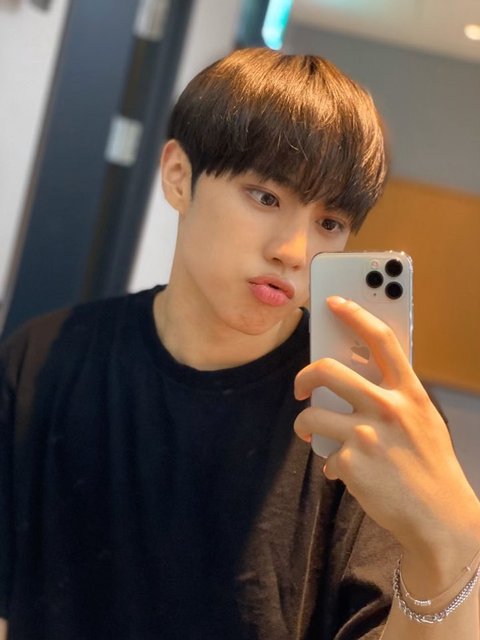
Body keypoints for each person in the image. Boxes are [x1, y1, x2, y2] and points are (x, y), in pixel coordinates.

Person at [0, 47, 479, 640]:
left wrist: (451, 543)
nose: (294, 252)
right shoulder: (44, 358)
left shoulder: (363, 413)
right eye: (266, 197)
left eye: (329, 223)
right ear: (180, 177)